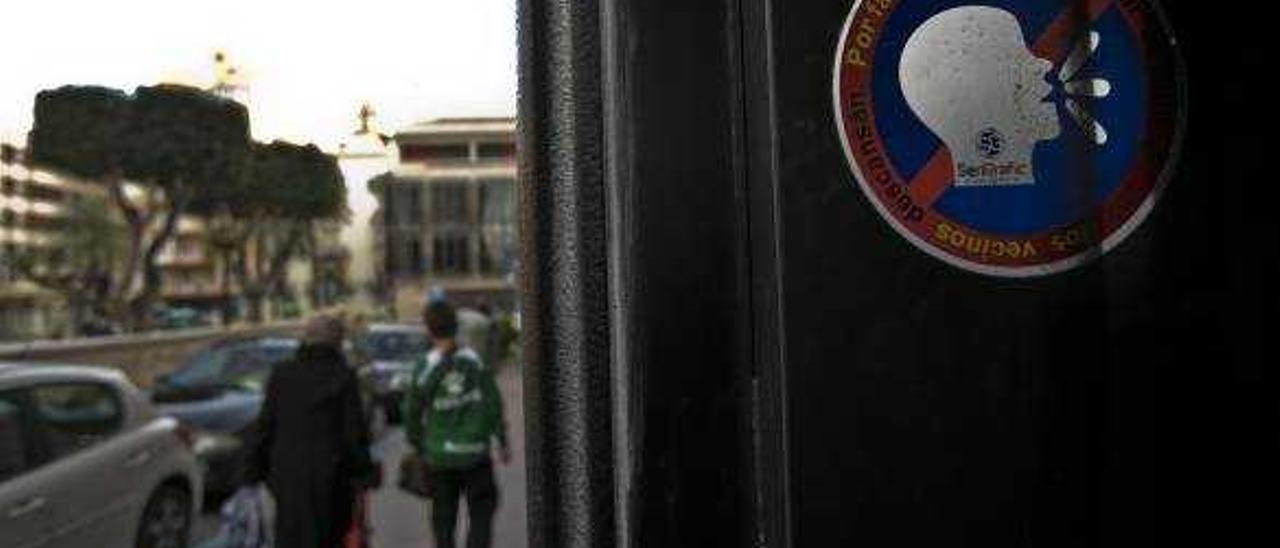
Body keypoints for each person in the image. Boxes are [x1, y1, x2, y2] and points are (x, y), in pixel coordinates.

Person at [244, 314, 377, 548]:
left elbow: (265, 425)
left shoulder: (282, 373)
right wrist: (365, 472)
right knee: (331, 537)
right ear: (337, 343)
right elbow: (353, 434)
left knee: (289, 535)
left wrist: (252, 471)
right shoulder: (343, 376)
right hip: (332, 481)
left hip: (287, 478)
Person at [403, 300, 511, 548]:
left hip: (439, 456)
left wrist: (420, 445)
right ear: (455, 327)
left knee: (443, 520)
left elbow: (410, 412)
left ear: (428, 330)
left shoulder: (424, 366)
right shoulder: (473, 360)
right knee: (482, 514)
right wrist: (502, 441)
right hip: (474, 453)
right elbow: (493, 403)